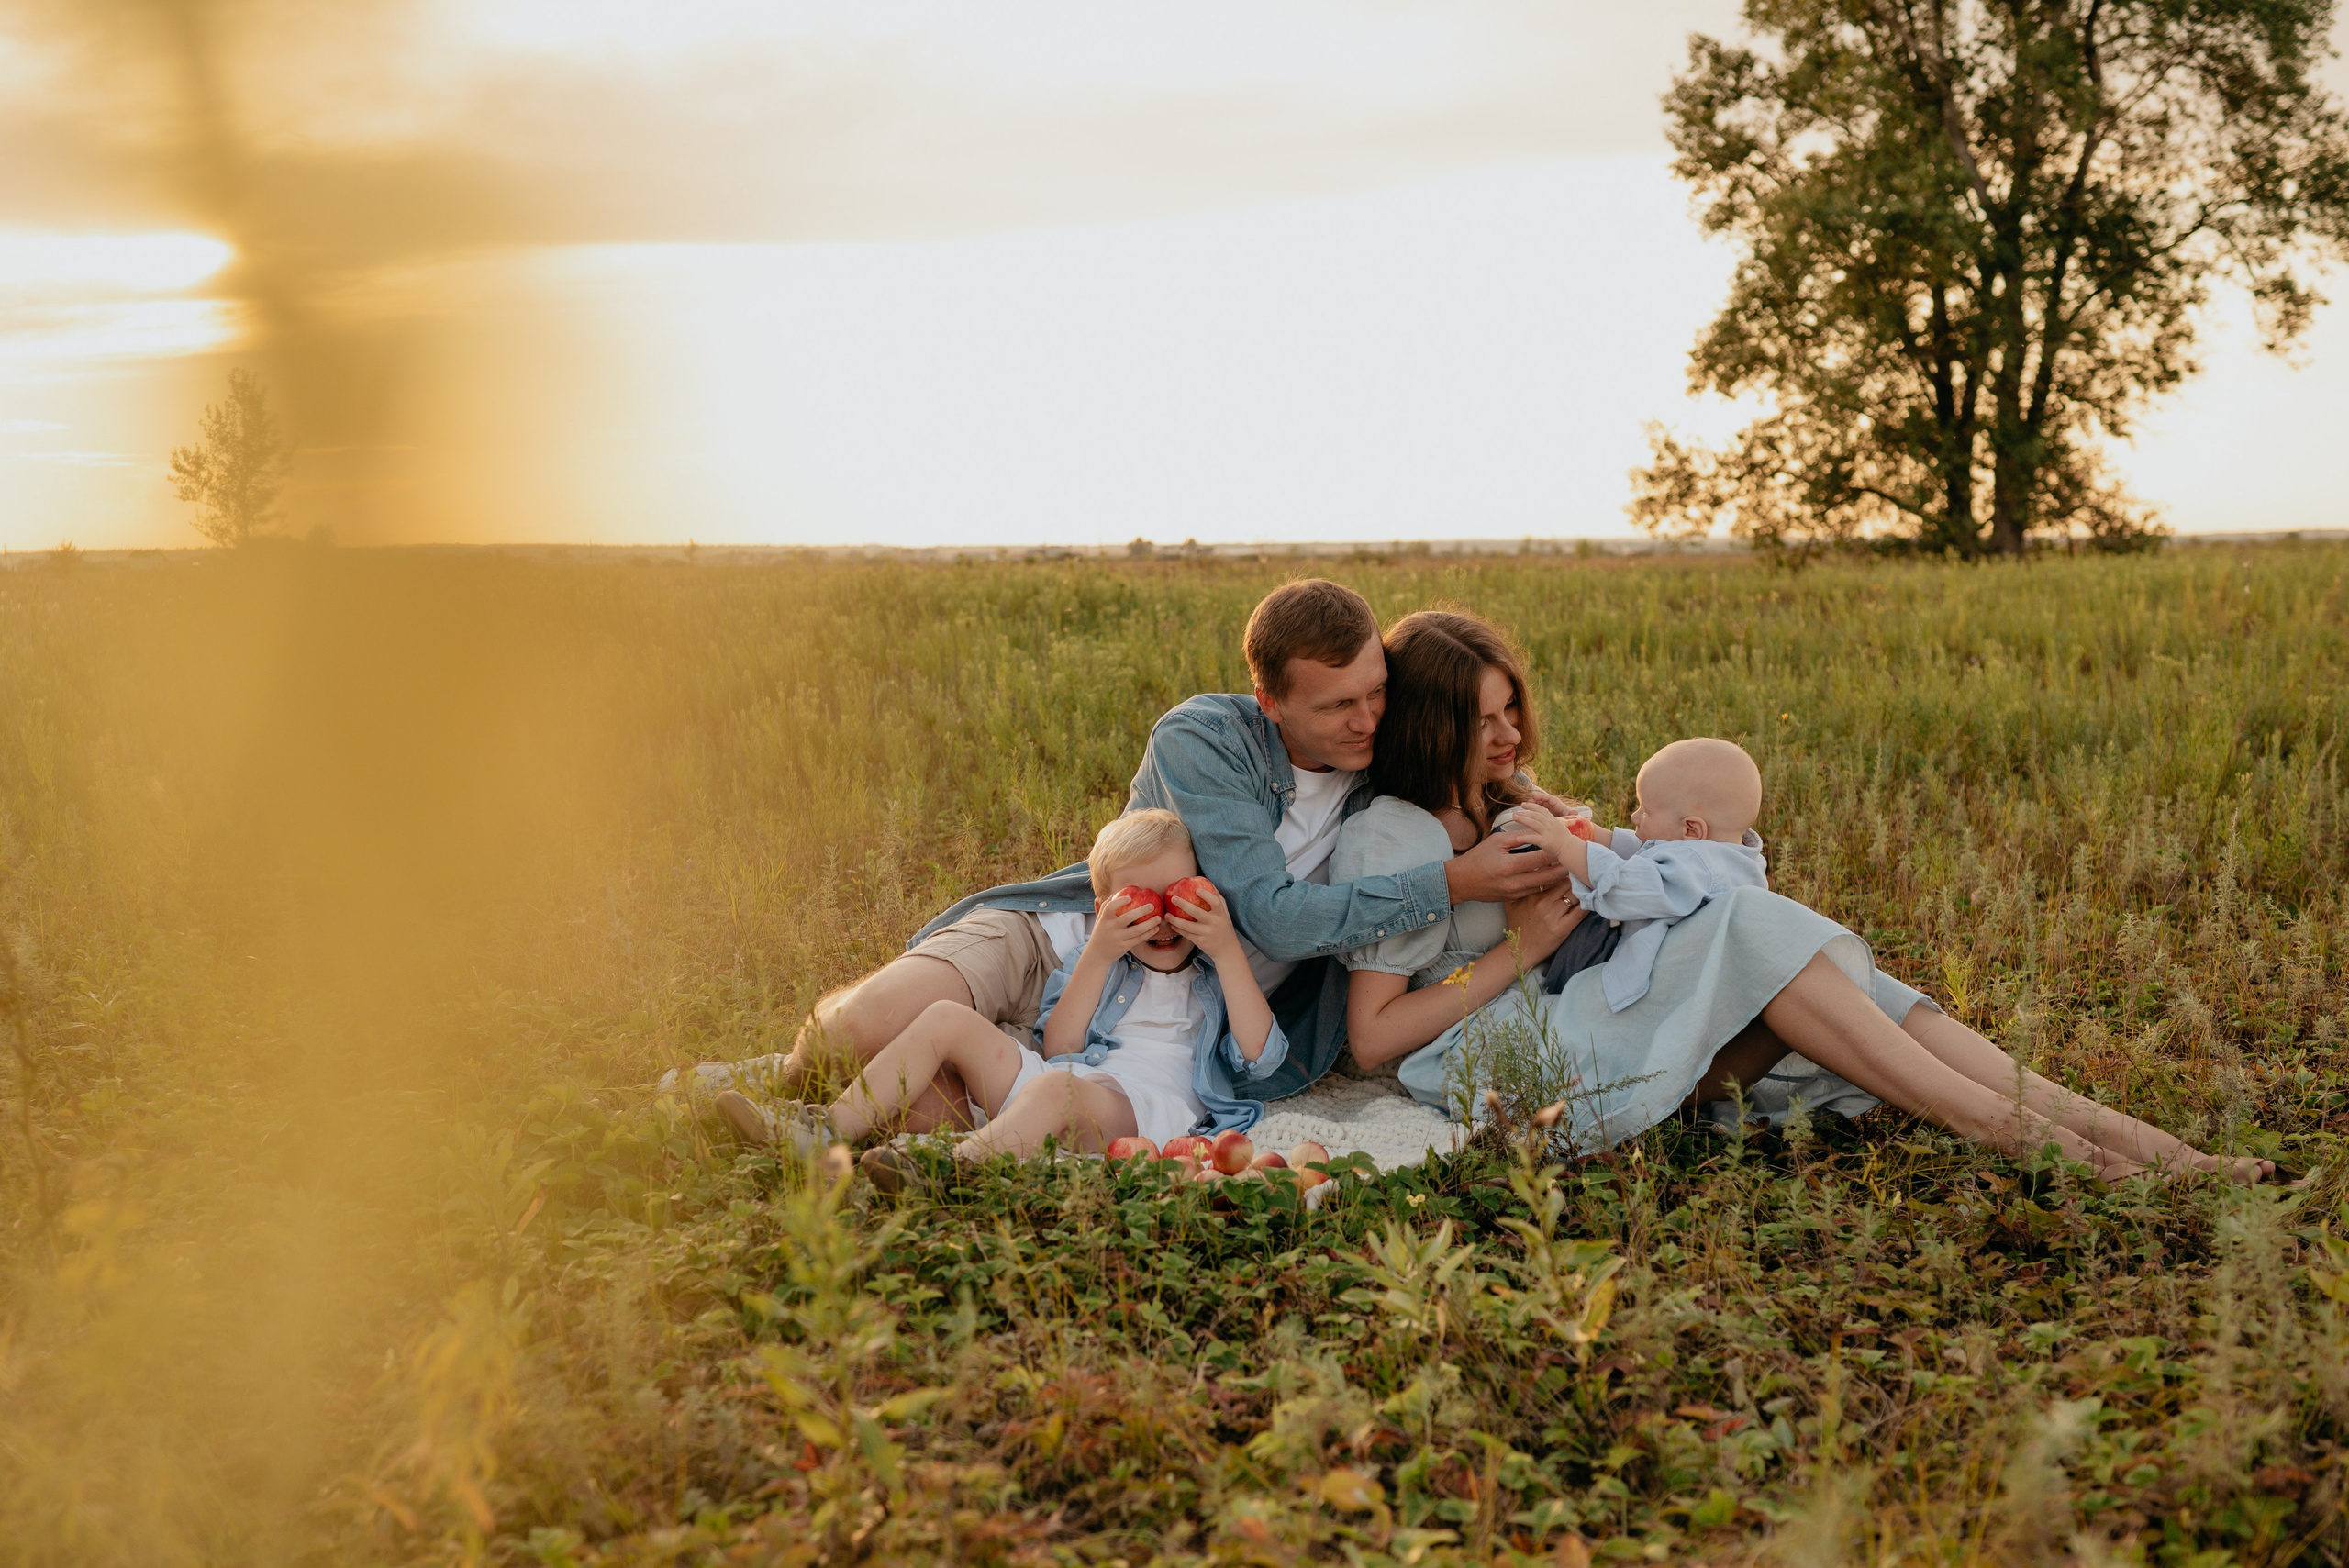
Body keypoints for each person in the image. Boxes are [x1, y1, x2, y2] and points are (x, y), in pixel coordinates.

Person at [1334, 608, 2279, 1184]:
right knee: (1755, 929)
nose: (1508, 735)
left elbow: (1643, 883)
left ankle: (2142, 1145)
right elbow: (1371, 1039)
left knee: (1789, 947)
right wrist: (1525, 948)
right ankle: (2013, 1131)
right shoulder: (1395, 835)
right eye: (1482, 720)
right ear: (1430, 723)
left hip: (1599, 1016)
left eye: (1512, 710)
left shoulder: (1515, 801)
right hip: (1501, 1057)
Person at [662, 579, 1567, 1122]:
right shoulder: (1206, 738)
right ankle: (785, 1073)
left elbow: (1476, 775)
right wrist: (1449, 881)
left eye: (1376, 692)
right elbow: (1272, 914)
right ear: (1268, 699)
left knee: (935, 1108)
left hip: (1175, 1014)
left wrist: (1530, 801)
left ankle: (920, 1085)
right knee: (856, 1031)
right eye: (1337, 705)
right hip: (1068, 938)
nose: (1366, 719)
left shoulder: (1389, 773)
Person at [713, 810, 1284, 1189]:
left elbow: (1262, 1055)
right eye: (1135, 904)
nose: (1159, 919)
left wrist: (1228, 947)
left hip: (1141, 1111)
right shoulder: (1104, 964)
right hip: (1057, 1083)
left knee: (1054, 1090)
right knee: (945, 1018)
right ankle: (824, 1129)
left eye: (1175, 898)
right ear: (1102, 905)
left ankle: (950, 1167)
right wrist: (1100, 953)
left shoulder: (1212, 975)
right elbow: (1060, 1045)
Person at [1512, 737, 1769, 1012]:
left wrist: (1565, 845)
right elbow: (1646, 856)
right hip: (1675, 979)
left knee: (1592, 923)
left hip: (1650, 991)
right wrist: (1580, 828)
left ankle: (1554, 995)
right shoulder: (1727, 857)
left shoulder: (1698, 869)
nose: (1635, 817)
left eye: (1645, 811)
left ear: (1692, 830)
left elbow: (1624, 886)